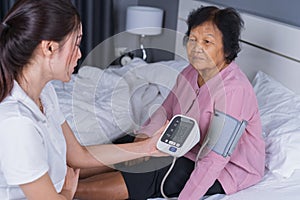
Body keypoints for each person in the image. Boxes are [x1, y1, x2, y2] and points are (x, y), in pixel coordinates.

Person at [75, 6, 266, 200]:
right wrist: (144, 138)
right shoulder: (190, 72)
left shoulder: (234, 91)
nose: (196, 48)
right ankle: (61, 178)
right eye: (193, 39)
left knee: (150, 172)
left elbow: (214, 159)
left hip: (227, 169)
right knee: (125, 146)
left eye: (207, 42)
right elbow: (167, 108)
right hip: (180, 145)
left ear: (227, 48)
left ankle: (60, 193)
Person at [0, 0, 166, 199]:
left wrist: (146, 147)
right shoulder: (17, 123)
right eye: (76, 44)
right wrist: (68, 192)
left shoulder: (44, 93)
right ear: (50, 48)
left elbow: (79, 155)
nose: (79, 54)